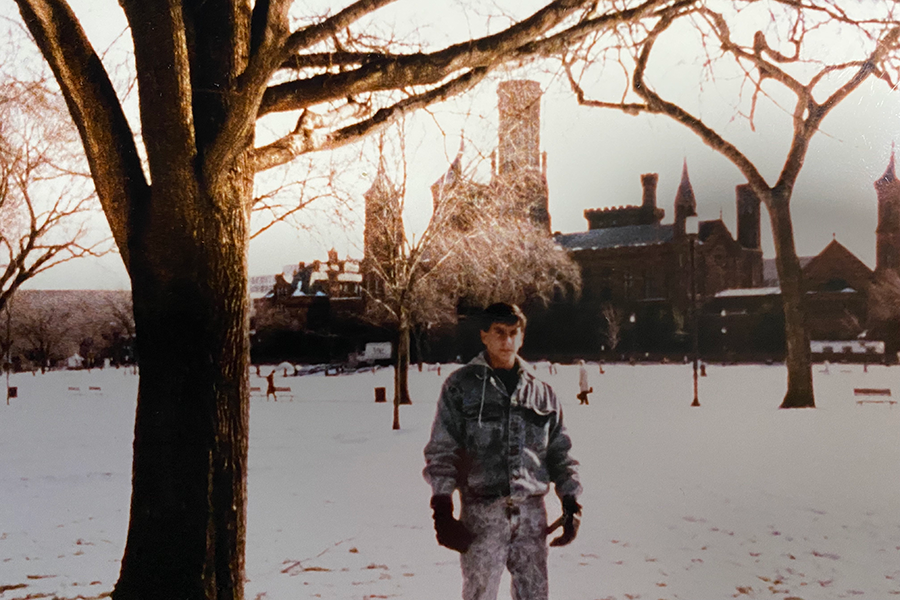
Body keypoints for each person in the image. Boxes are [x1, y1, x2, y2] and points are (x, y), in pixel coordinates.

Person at [423, 303, 582, 600]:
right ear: (483, 336)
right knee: (480, 595)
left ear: (522, 337)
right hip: (482, 516)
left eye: (513, 333)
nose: (507, 341)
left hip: (532, 518)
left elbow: (560, 452)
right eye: (499, 333)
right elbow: (443, 451)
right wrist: (442, 510)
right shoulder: (460, 387)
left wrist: (571, 501)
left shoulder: (541, 392)